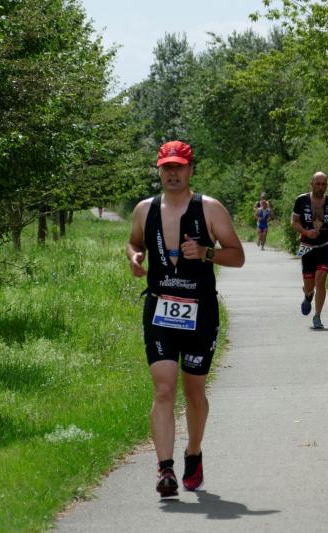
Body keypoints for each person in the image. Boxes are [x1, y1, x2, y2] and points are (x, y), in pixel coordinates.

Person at [126, 140, 245, 498]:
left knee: (194, 392)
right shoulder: (145, 210)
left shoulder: (209, 208)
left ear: (191, 170)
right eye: (167, 167)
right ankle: (165, 469)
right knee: (163, 389)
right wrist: (134, 257)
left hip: (200, 311)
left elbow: (237, 256)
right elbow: (134, 243)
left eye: (179, 167)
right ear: (159, 171)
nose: (173, 173)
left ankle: (193, 452)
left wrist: (207, 253)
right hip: (160, 308)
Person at [290, 171, 328, 330]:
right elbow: (294, 222)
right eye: (318, 184)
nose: (320, 187)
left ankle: (317, 316)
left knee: (321, 280)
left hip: (324, 247)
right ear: (311, 184)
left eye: (323, 184)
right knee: (309, 285)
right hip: (306, 247)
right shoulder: (301, 200)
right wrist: (306, 232)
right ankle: (308, 295)